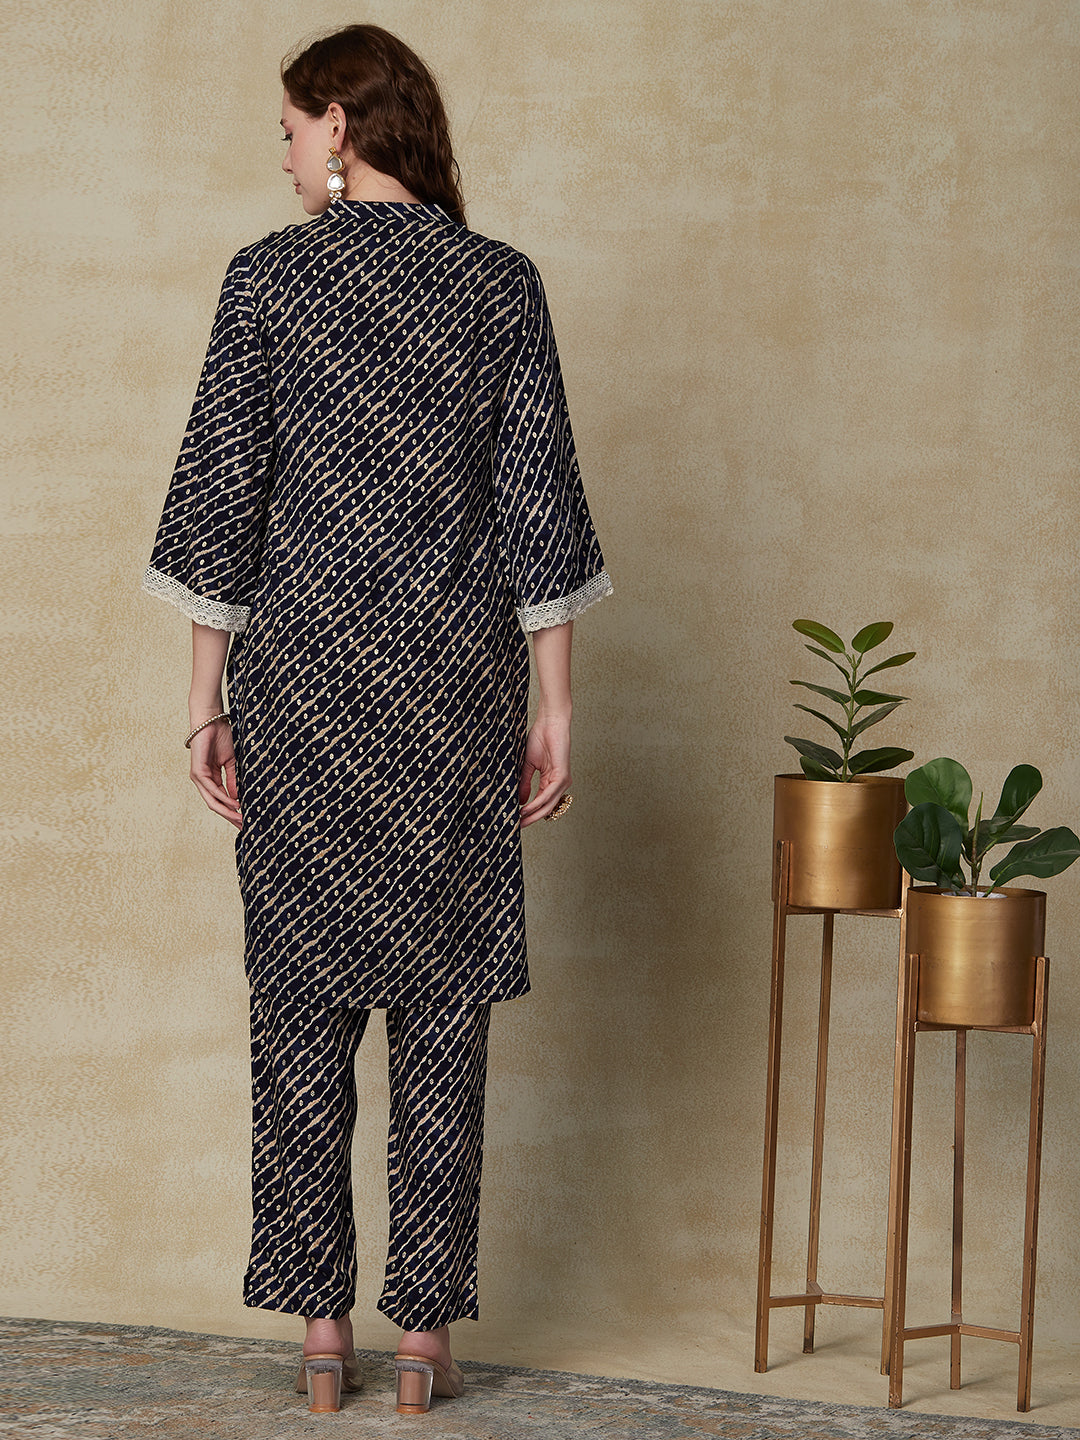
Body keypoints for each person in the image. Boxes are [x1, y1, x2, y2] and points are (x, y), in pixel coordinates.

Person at [143, 22, 611, 1418]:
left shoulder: (267, 278)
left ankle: (319, 1336)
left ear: (341, 125)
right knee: (442, 1011)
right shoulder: (499, 283)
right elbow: (537, 504)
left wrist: (203, 702)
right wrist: (556, 704)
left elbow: (220, 501)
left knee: (299, 1004)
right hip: (454, 689)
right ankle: (424, 1340)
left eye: (291, 130)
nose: (286, 156)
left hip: (301, 688)